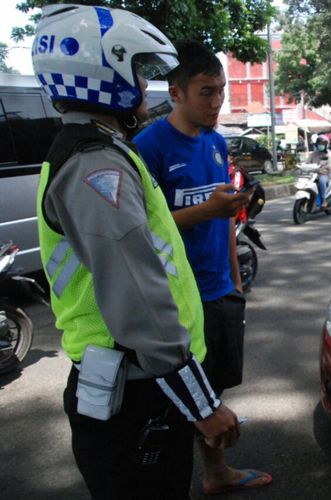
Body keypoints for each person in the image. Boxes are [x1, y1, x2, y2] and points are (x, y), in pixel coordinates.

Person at [32, 5, 241, 499]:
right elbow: (137, 295)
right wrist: (202, 404)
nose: (145, 87)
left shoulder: (96, 151)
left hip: (136, 377)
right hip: (134, 383)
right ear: (102, 72)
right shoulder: (94, 166)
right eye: (138, 72)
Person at [134, 40, 272, 495]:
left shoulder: (216, 143)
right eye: (205, 92)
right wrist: (203, 212)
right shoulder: (147, 147)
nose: (216, 103)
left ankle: (216, 473)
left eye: (221, 91)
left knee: (214, 391)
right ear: (175, 93)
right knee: (178, 399)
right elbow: (137, 231)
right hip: (176, 301)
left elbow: (224, 216)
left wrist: (235, 280)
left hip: (219, 291)